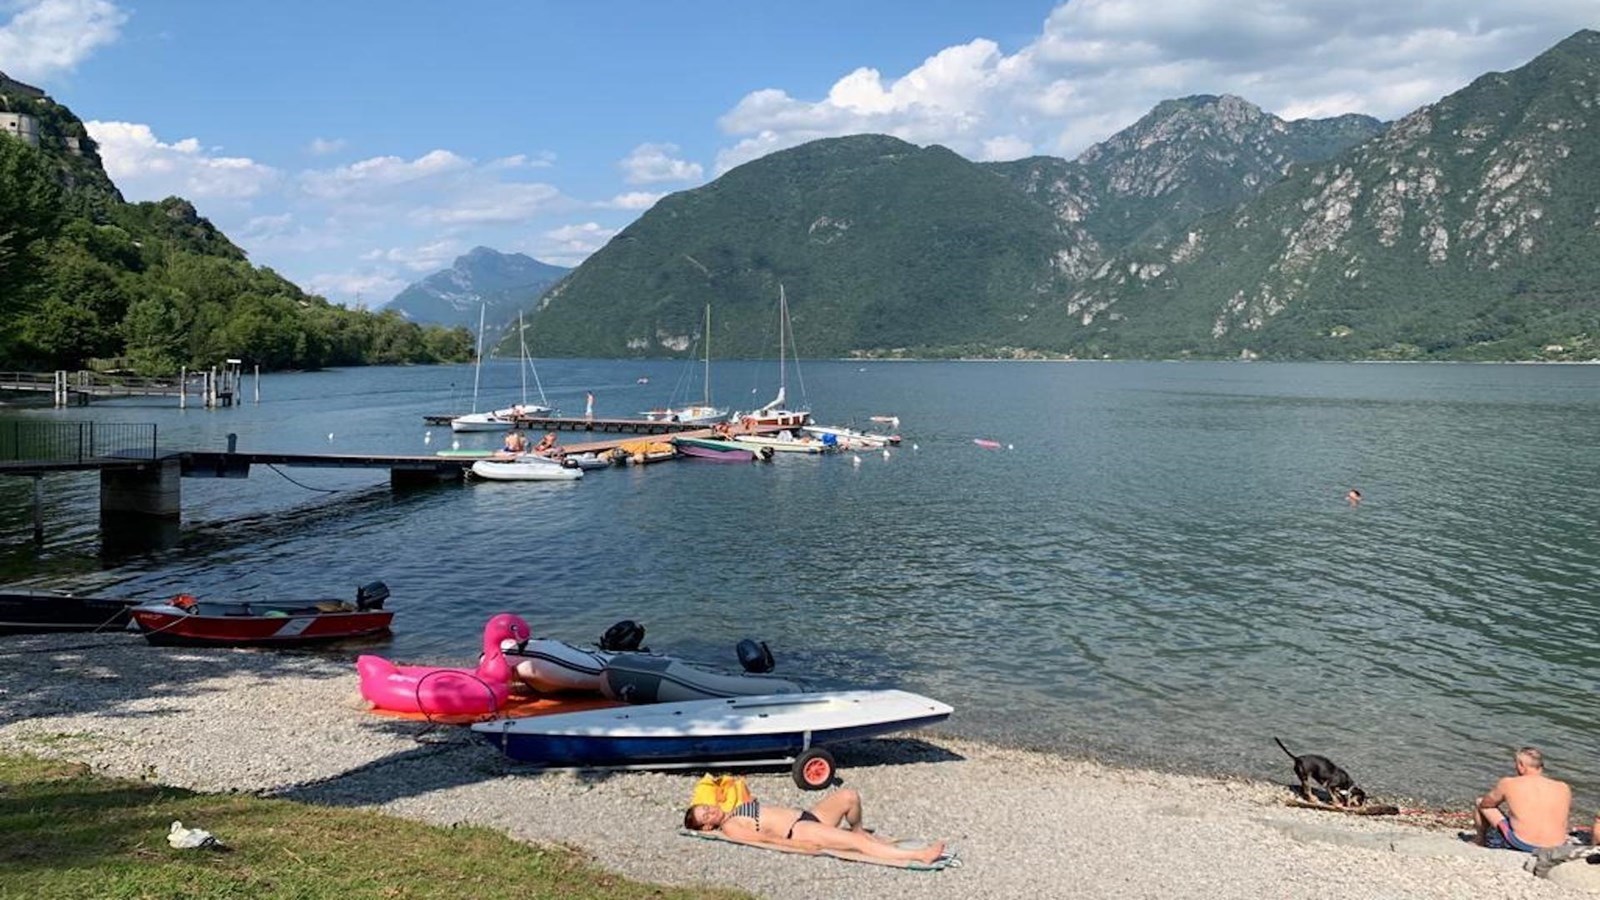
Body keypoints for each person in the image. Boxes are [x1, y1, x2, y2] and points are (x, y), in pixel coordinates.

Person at [684, 786, 945, 865]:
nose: (710, 810)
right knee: (860, 846)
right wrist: (797, 844)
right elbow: (764, 840)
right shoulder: (731, 828)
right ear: (707, 828)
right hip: (799, 830)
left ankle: (857, 828)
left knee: (849, 796)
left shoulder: (735, 809)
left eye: (705, 807)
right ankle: (919, 855)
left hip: (810, 815)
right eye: (705, 815)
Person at [1474, 746, 1572, 851]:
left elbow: (1486, 804)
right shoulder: (1563, 787)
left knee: (1480, 802)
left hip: (1523, 843)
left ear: (1521, 765)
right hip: (1557, 846)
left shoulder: (1508, 783)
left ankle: (1480, 841)